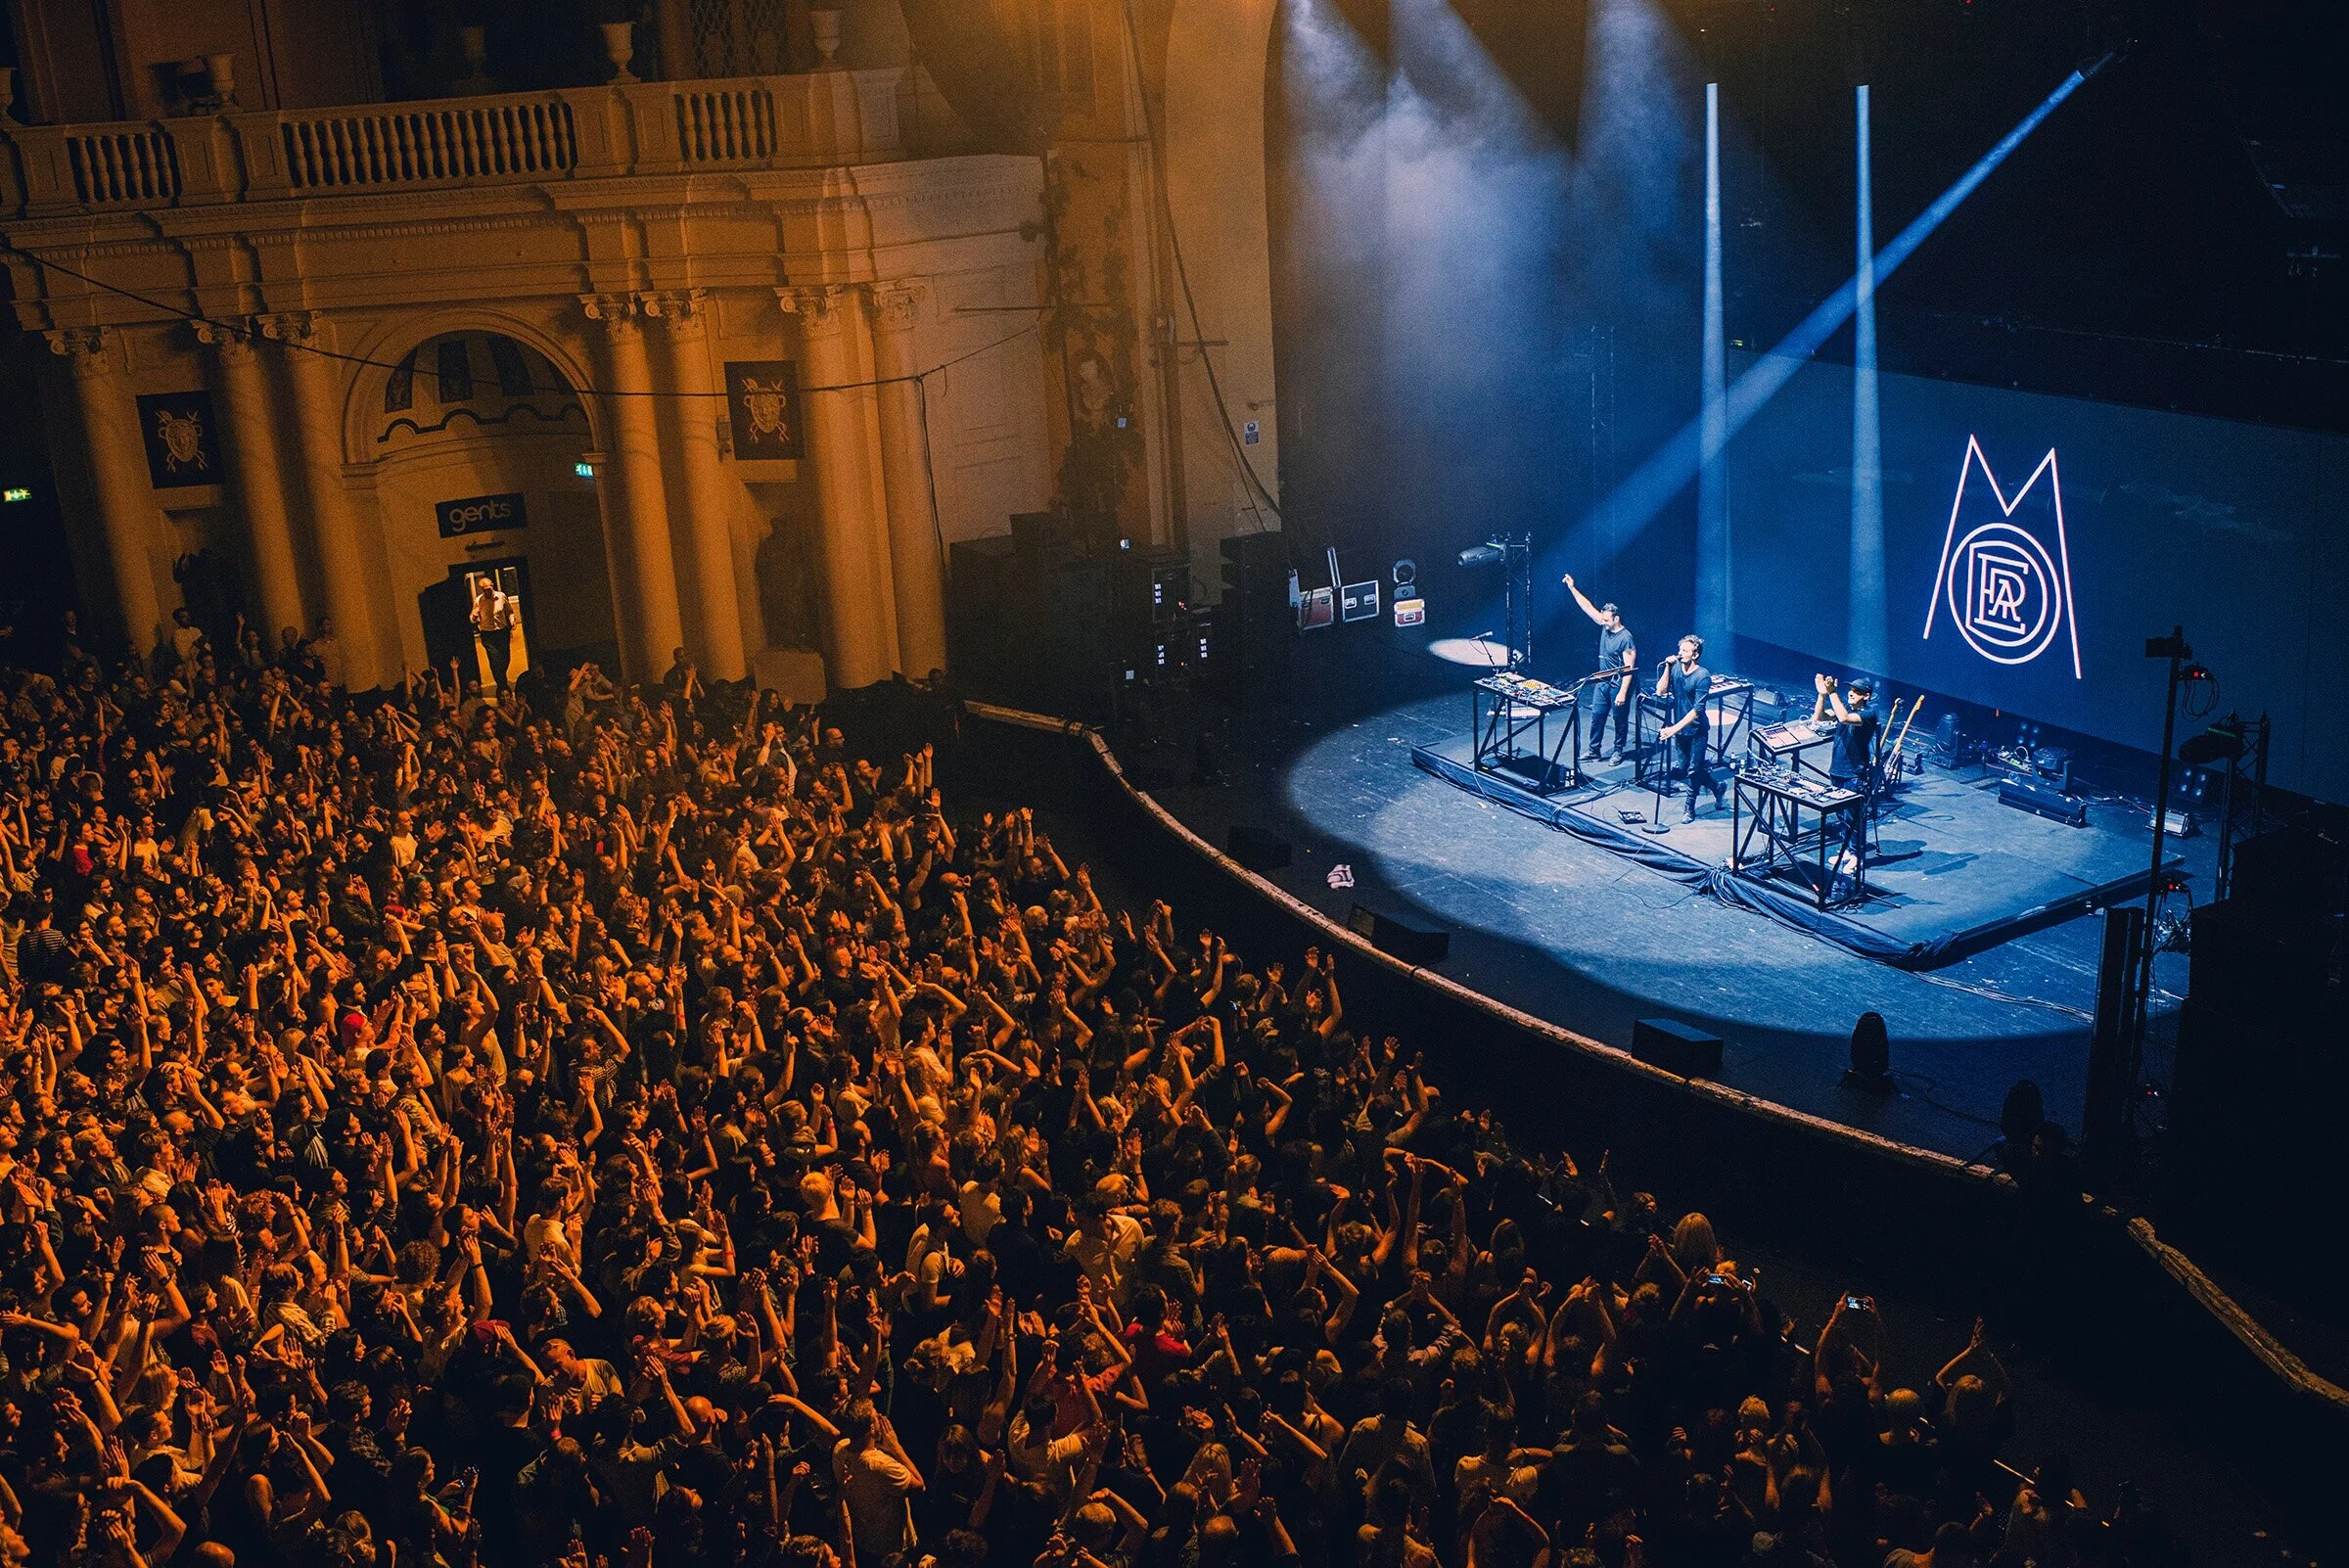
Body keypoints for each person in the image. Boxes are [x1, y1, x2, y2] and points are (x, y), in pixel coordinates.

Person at [1562, 574, 1636, 761]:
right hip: (1602, 680)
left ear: (1616, 619)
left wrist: (1622, 693)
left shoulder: (1625, 638)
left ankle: (1618, 750)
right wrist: (1572, 588)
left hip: (1618, 683)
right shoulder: (1605, 626)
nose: (1602, 622)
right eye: (1602, 619)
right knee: (1597, 716)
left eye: (1606, 620)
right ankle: (1594, 749)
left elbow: (1629, 668)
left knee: (1619, 718)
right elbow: (1587, 607)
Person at [1655, 633, 1724, 823]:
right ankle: (1716, 788)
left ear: (1695, 655)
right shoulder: (1675, 668)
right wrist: (1668, 668)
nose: (1680, 653)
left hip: (1697, 731)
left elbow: (1697, 711)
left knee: (1694, 771)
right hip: (1681, 730)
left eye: (1685, 651)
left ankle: (1689, 808)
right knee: (1687, 769)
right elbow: (1660, 691)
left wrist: (1672, 729)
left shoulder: (1702, 676)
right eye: (1680, 650)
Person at [1812, 673, 1880, 785]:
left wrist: (1832, 692)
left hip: (1853, 774)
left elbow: (1844, 718)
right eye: (1851, 690)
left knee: (1850, 802)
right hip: (1836, 769)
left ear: (1866, 696)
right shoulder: (1846, 708)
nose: (1851, 693)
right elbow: (1819, 717)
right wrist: (1822, 695)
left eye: (1857, 691)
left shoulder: (1869, 714)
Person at [470, 575, 516, 693]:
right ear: (481, 590)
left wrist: (512, 620)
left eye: (489, 589)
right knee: (494, 660)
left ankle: (501, 679)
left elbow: (509, 611)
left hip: (502, 631)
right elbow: (472, 616)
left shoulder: (501, 596)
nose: (487, 592)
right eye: (484, 590)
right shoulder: (479, 600)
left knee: (505, 658)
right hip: (488, 634)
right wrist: (473, 617)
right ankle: (502, 685)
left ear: (492, 586)